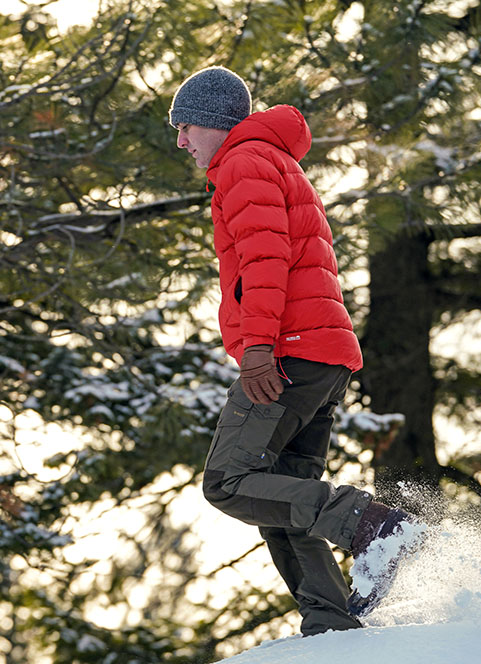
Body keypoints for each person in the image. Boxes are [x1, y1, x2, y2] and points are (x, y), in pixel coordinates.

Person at [169, 66, 423, 634]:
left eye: (185, 126)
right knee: (285, 494)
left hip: (288, 354)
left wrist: (257, 347)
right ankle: (331, 621)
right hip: (319, 354)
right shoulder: (270, 160)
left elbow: (265, 261)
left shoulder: (242, 162)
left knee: (229, 482)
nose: (181, 141)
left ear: (214, 122)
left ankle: (374, 527)